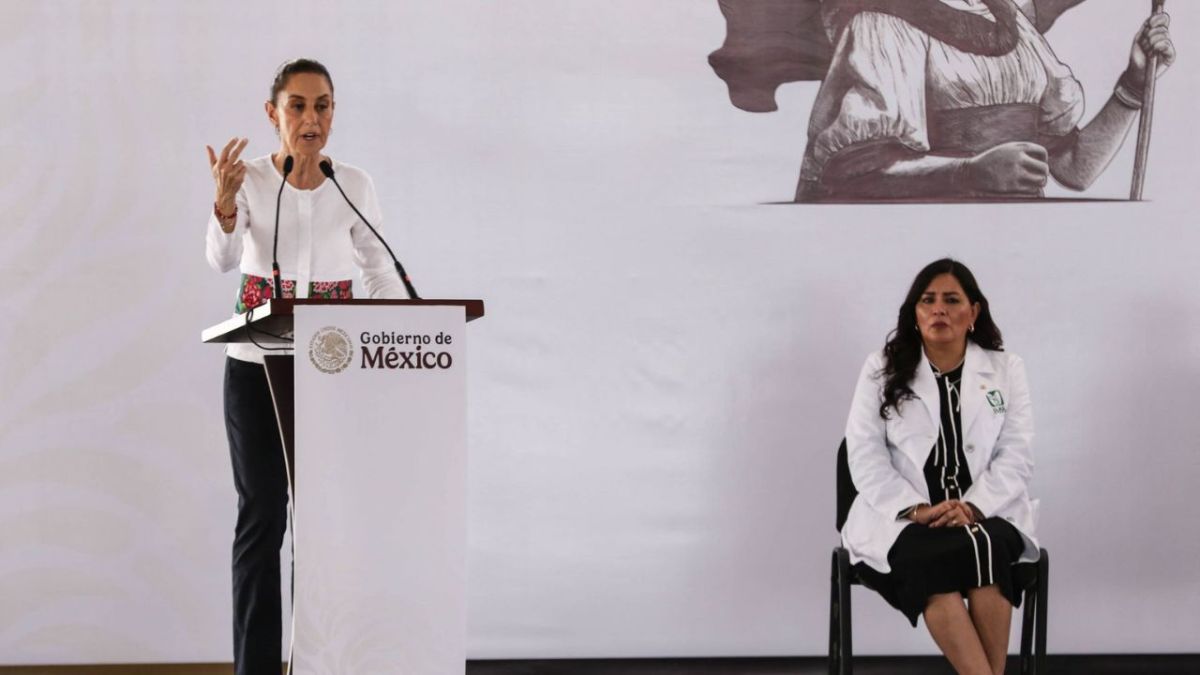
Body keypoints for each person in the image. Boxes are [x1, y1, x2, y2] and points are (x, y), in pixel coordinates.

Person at [204, 58, 407, 675]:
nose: (311, 118)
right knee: (262, 520)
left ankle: (322, 662)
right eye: (298, 106)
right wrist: (224, 207)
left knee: (325, 527)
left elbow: (376, 270)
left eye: (323, 105)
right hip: (255, 366)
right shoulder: (249, 178)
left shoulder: (355, 184)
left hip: (330, 370)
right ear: (273, 114)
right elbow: (221, 260)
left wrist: (396, 328)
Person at [842, 259, 1036, 675]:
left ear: (974, 313)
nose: (939, 310)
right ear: (914, 312)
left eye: (952, 300)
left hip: (985, 510)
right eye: (927, 300)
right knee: (933, 559)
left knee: (990, 549)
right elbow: (863, 453)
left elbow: (1017, 454)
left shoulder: (1005, 370)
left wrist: (972, 506)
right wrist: (917, 509)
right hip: (904, 517)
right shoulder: (881, 368)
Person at [796, 0, 1176, 201]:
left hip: (1026, 242)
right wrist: (970, 172)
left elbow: (1074, 169)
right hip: (940, 253)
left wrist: (1134, 85)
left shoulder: (1009, 20)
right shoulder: (882, 21)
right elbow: (851, 176)